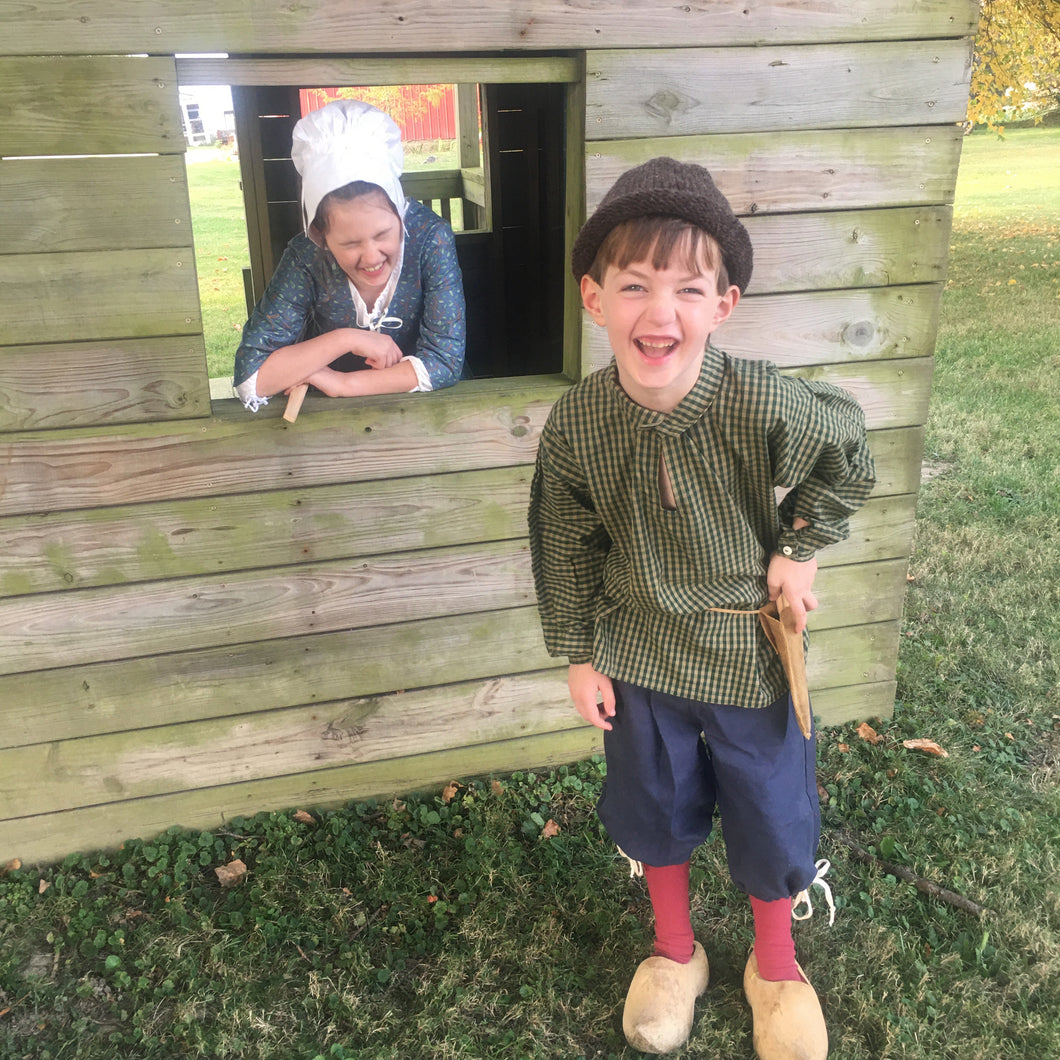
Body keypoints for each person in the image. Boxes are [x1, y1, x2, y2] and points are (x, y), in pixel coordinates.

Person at [527, 157, 876, 1059]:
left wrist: (798, 547)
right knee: (654, 804)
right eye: (635, 284)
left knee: (769, 808)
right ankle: (676, 955)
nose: (660, 312)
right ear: (594, 296)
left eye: (689, 288)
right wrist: (577, 650)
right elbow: (564, 541)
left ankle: (774, 965)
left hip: (747, 656)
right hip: (638, 655)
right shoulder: (576, 425)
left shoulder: (758, 398)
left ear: (723, 305)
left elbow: (849, 447)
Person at [233, 99, 465, 411]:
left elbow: (445, 360)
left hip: (428, 414)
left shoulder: (431, 239)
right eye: (350, 244)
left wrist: (343, 384)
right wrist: (347, 339)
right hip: (329, 424)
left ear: (400, 214)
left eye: (383, 234)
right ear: (322, 235)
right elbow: (252, 376)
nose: (371, 257)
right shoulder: (305, 256)